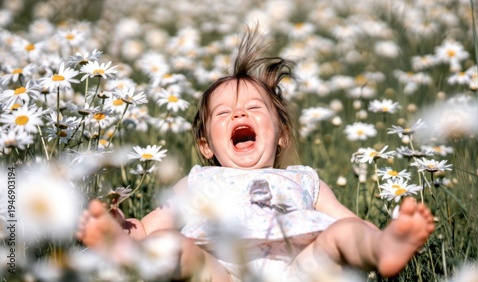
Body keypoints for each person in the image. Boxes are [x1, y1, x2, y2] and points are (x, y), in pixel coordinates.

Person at [77, 27, 435, 281]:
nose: (239, 115)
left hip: (302, 270)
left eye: (254, 108)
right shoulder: (198, 182)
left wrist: (372, 235)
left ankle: (387, 248)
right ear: (206, 145)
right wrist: (123, 231)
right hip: (222, 272)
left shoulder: (304, 179)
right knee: (170, 245)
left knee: (342, 232)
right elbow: (151, 228)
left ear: (282, 134)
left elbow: (350, 222)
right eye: (223, 113)